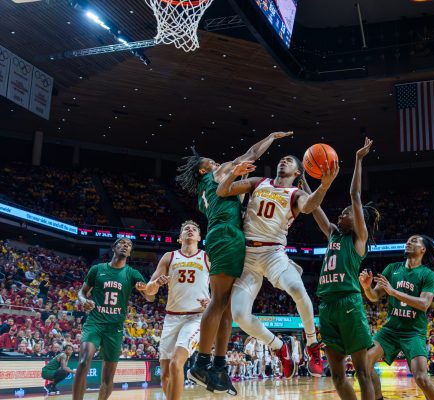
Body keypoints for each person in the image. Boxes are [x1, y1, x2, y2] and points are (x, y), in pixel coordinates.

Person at [178, 131, 293, 394]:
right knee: (219, 301)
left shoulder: (203, 193)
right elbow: (251, 154)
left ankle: (218, 366)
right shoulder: (216, 175)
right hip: (227, 235)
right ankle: (201, 362)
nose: (219, 163)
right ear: (203, 170)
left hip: (225, 235)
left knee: (227, 307)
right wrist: (272, 138)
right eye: (212, 161)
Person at [216, 154, 339, 378]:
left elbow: (310, 206)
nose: (283, 161)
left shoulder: (296, 193)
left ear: (298, 173)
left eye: (289, 161)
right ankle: (278, 346)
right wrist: (234, 172)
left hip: (274, 254)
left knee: (298, 289)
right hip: (248, 256)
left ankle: (312, 344)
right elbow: (222, 191)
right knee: (240, 316)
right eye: (282, 159)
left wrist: (324, 186)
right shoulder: (257, 182)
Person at [308, 138, 379, 400]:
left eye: (347, 213)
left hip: (349, 304)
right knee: (337, 376)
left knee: (362, 372)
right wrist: (302, 182)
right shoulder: (333, 236)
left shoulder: (358, 240)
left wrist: (358, 159)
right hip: (326, 306)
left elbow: (355, 196)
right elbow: (314, 208)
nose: (341, 214)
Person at [71, 238, 157, 400]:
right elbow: (82, 292)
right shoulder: (97, 269)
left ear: (130, 252)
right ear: (113, 248)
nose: (125, 245)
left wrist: (147, 288)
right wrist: (83, 301)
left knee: (108, 378)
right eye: (122, 243)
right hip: (95, 323)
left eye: (129, 245)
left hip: (115, 328)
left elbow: (150, 299)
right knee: (83, 362)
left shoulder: (132, 273)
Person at [360, 234, 434, 400]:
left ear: (423, 249)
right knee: (364, 364)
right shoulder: (392, 268)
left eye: (414, 241)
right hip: (390, 330)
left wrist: (394, 292)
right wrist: (367, 288)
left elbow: (424, 304)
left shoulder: (428, 275)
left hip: (413, 332)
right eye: (407, 240)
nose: (408, 242)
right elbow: (375, 296)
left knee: (421, 378)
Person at [144, 220, 210, 400]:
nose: (190, 230)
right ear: (179, 237)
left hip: (195, 317)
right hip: (171, 318)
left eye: (194, 229)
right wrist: (156, 284)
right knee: (165, 374)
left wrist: (211, 301)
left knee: (176, 364)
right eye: (186, 229)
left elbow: (222, 290)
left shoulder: (207, 257)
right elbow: (149, 290)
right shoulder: (169, 256)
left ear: (199, 237)